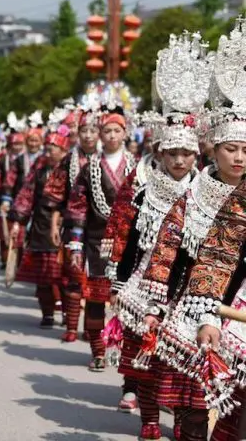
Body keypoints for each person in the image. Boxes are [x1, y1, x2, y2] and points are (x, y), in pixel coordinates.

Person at [106, 33, 208, 438]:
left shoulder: (204, 192)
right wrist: (117, 281)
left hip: (188, 284)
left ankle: (183, 423)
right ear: (160, 155)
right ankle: (149, 418)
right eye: (172, 154)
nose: (179, 161)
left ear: (196, 156)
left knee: (183, 363)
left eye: (186, 155)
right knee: (143, 360)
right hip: (145, 282)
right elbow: (128, 238)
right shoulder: (144, 188)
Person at [149, 23, 246, 441]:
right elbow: (180, 251)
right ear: (213, 148)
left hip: (240, 309)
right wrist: (157, 304)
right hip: (202, 302)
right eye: (232, 148)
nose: (240, 157)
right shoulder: (196, 196)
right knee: (193, 405)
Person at [62, 82, 137, 371]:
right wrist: (76, 242)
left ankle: (123, 353)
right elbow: (78, 205)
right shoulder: (90, 166)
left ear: (125, 133)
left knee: (126, 301)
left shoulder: (136, 166)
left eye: (117, 130)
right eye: (107, 130)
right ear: (100, 134)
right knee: (95, 299)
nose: (112, 135)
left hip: (129, 241)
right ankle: (97, 351)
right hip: (95, 241)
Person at [42, 102, 99, 341]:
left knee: (97, 280)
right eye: (83, 130)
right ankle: (71, 327)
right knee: (73, 274)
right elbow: (55, 197)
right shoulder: (69, 160)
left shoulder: (109, 160)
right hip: (73, 224)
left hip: (100, 227)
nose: (87, 135)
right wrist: (55, 225)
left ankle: (92, 329)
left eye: (93, 130)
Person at [10, 116, 71, 328]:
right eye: (49, 146)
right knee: (43, 278)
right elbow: (26, 195)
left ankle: (67, 312)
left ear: (64, 150)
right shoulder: (40, 169)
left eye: (55, 146)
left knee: (63, 277)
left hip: (65, 227)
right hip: (39, 227)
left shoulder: (72, 170)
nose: (50, 150)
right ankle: (47, 314)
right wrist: (18, 220)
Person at [0, 114, 27, 268]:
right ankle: (5, 259)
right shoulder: (3, 158)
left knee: (21, 230)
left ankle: (20, 261)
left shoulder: (29, 159)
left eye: (20, 144)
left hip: (24, 198)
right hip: (5, 197)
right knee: (5, 231)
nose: (17, 147)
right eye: (14, 144)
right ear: (9, 144)